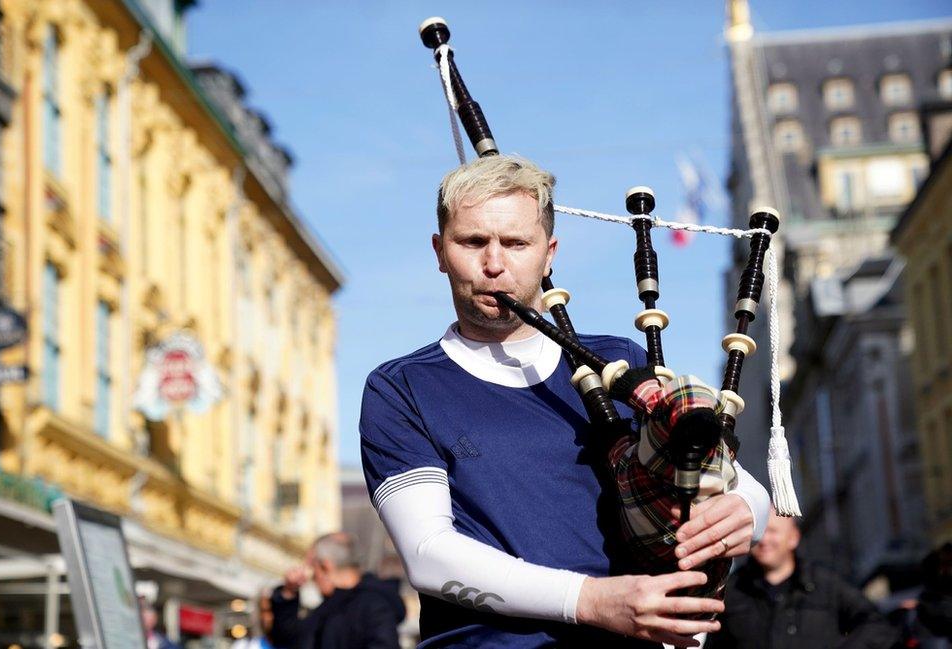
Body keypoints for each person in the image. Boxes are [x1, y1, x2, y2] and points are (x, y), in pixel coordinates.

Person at [359, 155, 772, 647]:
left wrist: (746, 510)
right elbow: (429, 553)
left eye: (516, 243)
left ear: (549, 253)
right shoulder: (401, 388)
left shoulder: (618, 361)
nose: (494, 264)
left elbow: (736, 483)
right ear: (439, 251)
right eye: (472, 241)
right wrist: (593, 601)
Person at [704, 508, 897, 648]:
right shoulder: (731, 590)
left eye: (772, 531)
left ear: (793, 538)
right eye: (759, 533)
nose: (764, 540)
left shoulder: (826, 584)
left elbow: (877, 626)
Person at [269, 532, 404, 649]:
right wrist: (289, 592)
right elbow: (287, 638)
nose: (310, 576)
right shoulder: (328, 607)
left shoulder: (374, 605)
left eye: (311, 566)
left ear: (325, 566)